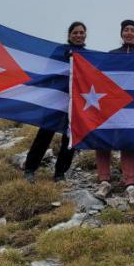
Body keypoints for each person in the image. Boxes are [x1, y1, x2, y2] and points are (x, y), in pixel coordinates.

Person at [95, 19, 134, 204]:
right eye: (126, 30)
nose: (129, 33)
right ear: (121, 33)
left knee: (129, 142)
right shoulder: (111, 55)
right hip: (110, 105)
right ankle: (104, 181)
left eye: (133, 30)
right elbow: (99, 75)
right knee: (102, 139)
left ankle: (130, 183)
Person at [23, 21, 86, 183]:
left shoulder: (89, 54)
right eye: (75, 33)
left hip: (76, 105)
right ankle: (30, 169)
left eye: (81, 33)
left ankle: (60, 173)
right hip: (56, 101)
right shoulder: (59, 51)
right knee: (44, 134)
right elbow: (49, 72)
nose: (78, 35)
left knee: (70, 138)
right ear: (69, 35)